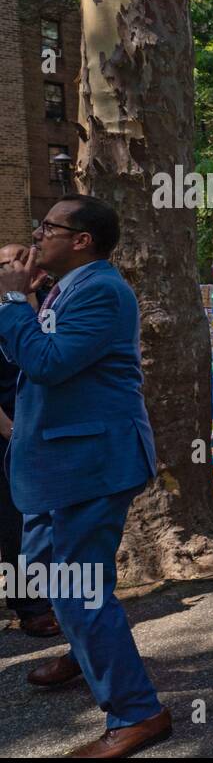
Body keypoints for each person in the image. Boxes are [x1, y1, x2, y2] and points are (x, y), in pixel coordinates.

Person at [0, 195, 170, 756]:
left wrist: (10, 298)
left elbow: (47, 363)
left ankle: (137, 713)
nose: (35, 235)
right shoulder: (60, 286)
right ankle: (86, 654)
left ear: (81, 241)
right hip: (51, 465)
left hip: (91, 465)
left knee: (78, 590)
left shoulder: (101, 290)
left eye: (47, 227)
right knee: (45, 572)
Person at [0, 244, 58, 638]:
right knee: (13, 522)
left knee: (42, 522)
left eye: (26, 255)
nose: (23, 263)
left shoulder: (52, 306)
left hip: (47, 430)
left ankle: (50, 600)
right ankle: (30, 607)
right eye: (9, 262)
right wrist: (10, 429)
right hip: (10, 431)